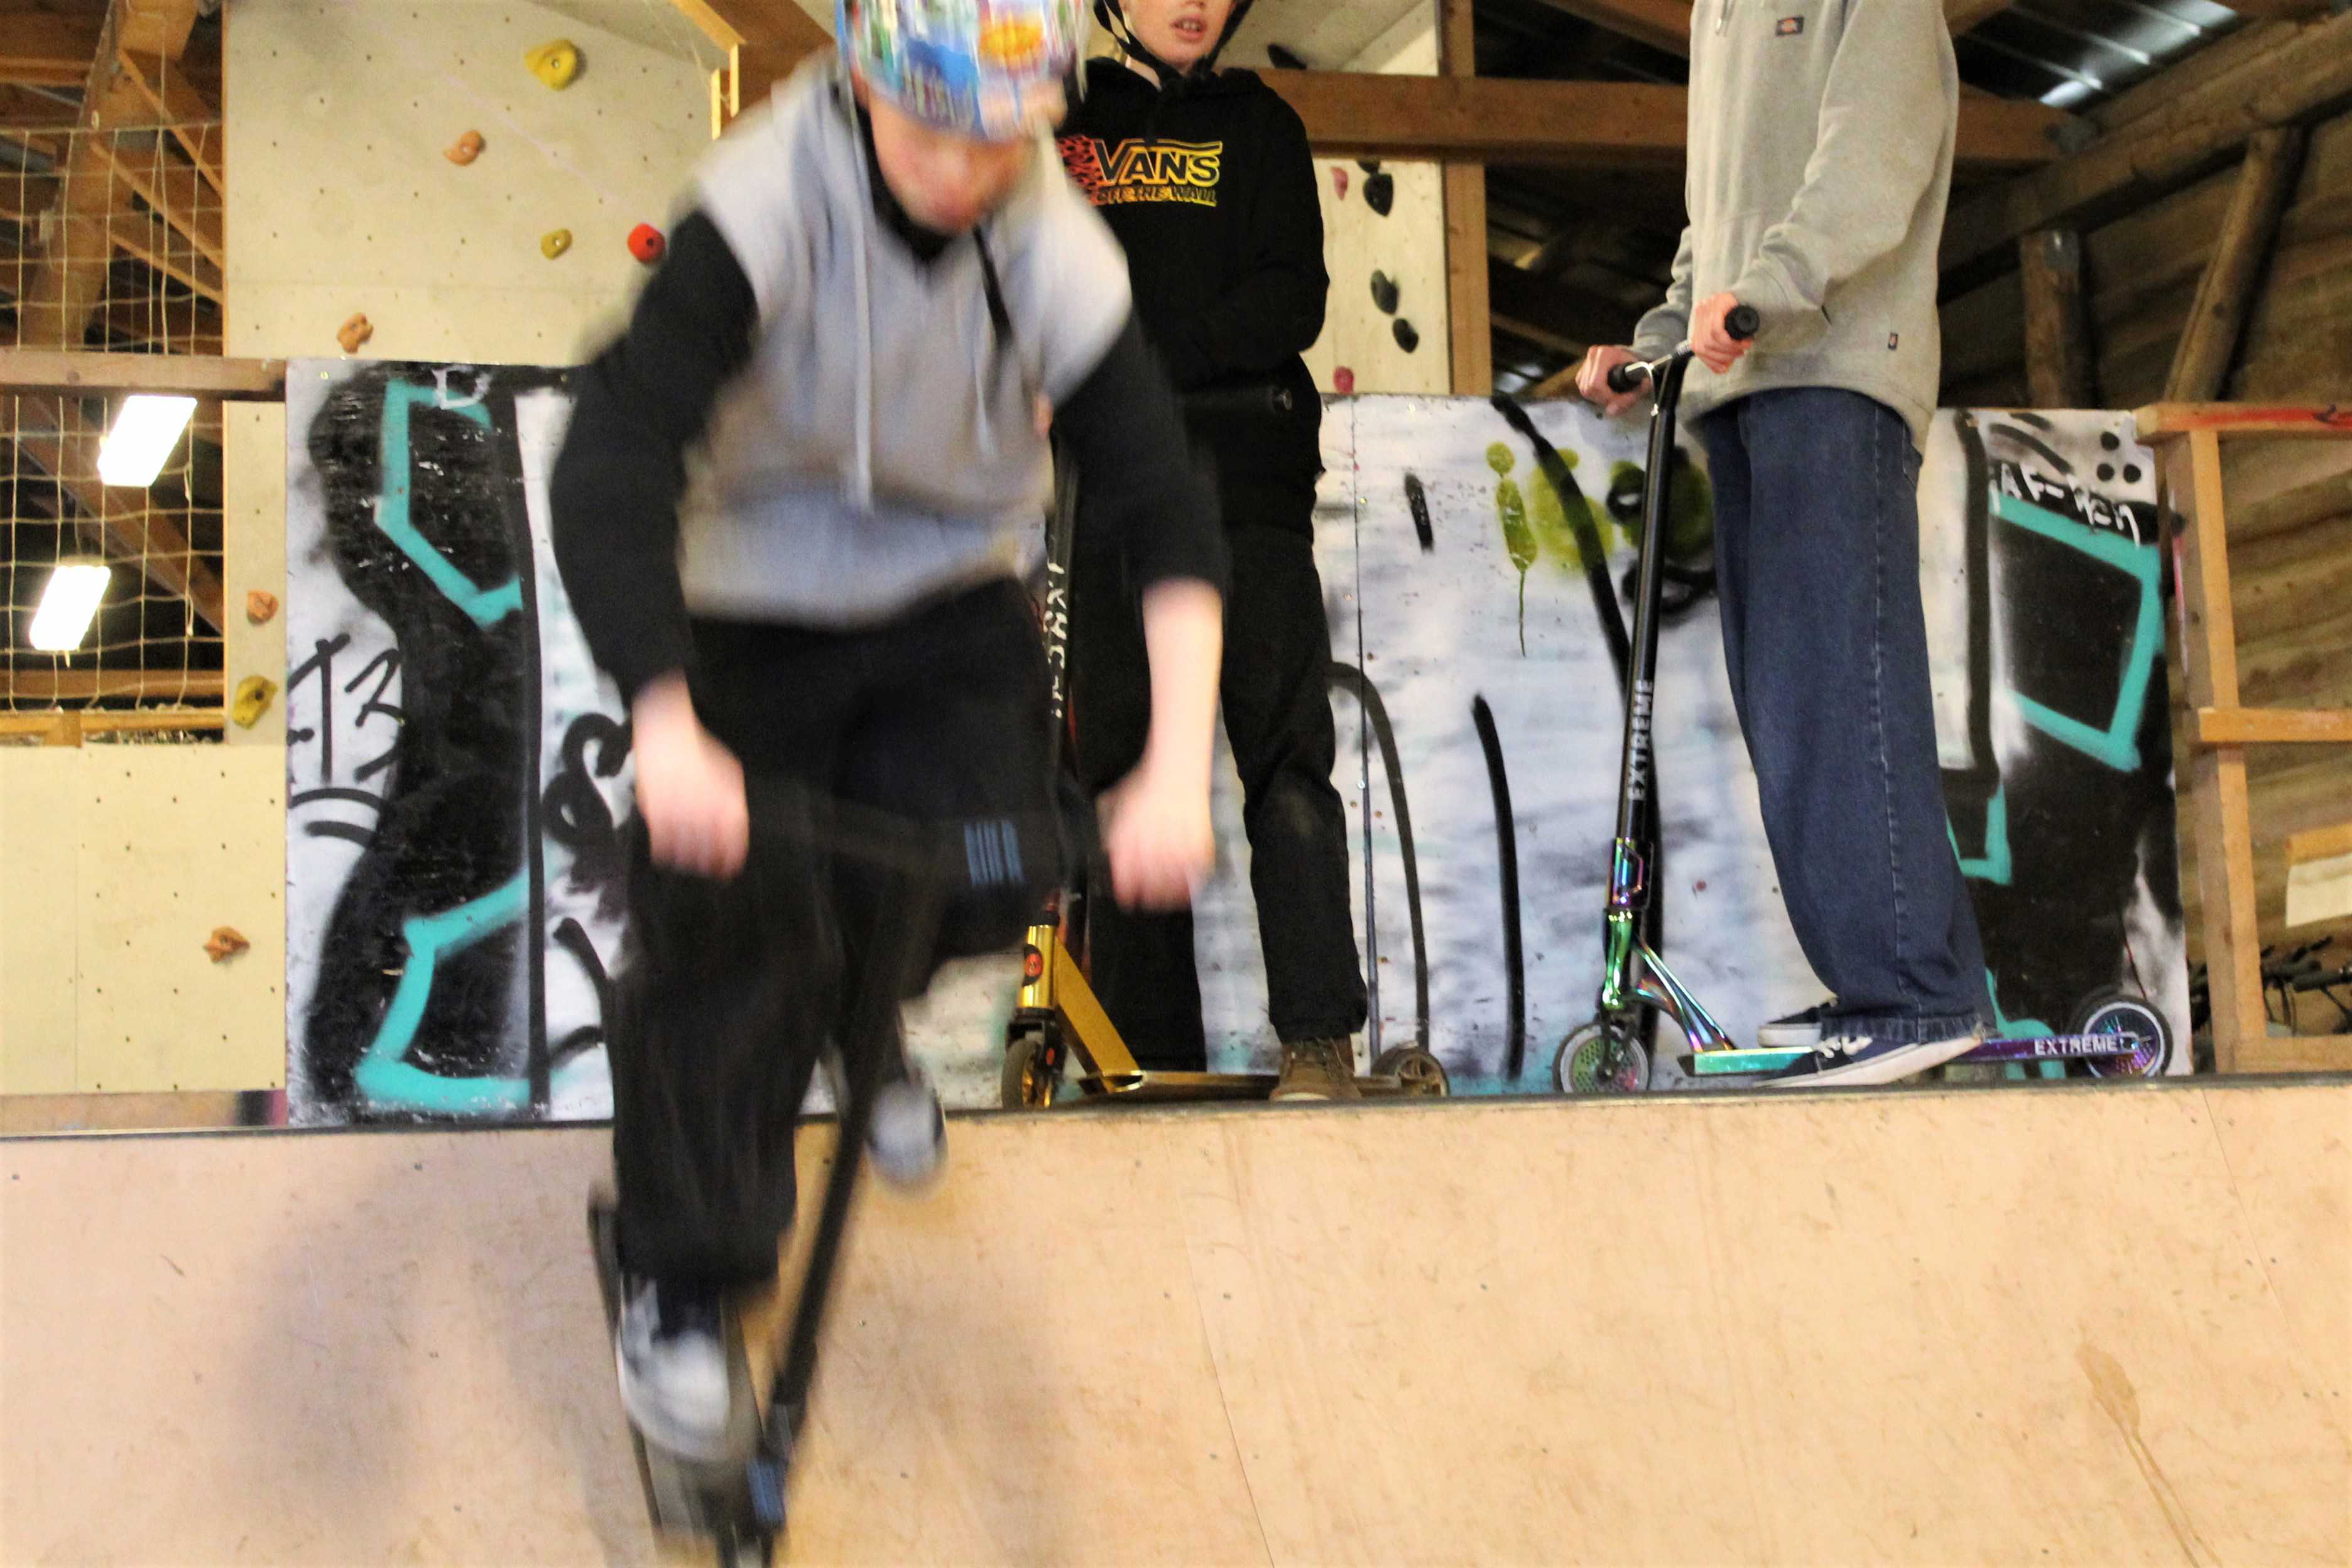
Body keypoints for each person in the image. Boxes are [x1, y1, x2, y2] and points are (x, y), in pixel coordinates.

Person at [550, 0, 1228, 1461]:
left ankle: (857, 1023)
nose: (968, 175)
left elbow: (1167, 502)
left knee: (992, 863)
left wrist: (1177, 766)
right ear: (864, 82)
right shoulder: (761, 207)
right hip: (744, 598)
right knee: (733, 943)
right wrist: (665, 721)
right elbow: (612, 456)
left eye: (1004, 143)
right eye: (936, 136)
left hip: (946, 597)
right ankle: (684, 1284)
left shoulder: (1056, 246)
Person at [1575, 0, 1990, 1086]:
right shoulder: (1721, 15)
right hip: (1745, 385)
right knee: (1792, 710)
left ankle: (1914, 993)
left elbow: (1873, 160)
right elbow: (1712, 228)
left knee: (1839, 690)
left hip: (1834, 374)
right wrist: (1657, 344)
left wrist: (1772, 289)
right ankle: (1891, 984)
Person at [1056, 0, 1369, 1098]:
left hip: (1251, 487)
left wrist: (1137, 364)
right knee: (1124, 773)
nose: (1192, 1)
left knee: (1286, 762)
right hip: (1110, 496)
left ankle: (1319, 1038)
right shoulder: (1062, 124)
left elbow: (1293, 299)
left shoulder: (1262, 124)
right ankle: (1148, 1061)